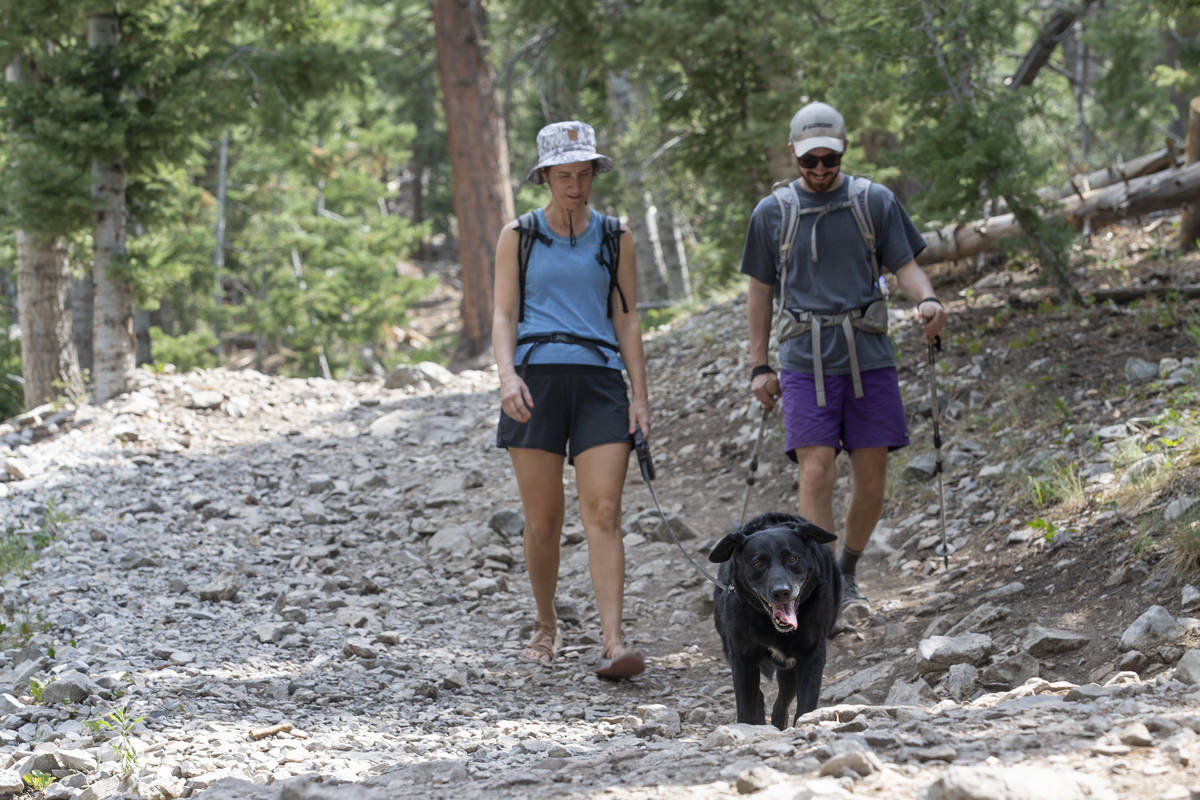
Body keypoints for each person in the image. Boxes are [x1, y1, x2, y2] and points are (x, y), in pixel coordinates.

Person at [740, 101, 948, 626]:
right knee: (816, 470)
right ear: (793, 153)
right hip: (803, 356)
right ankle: (823, 585)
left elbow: (907, 267)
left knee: (872, 477)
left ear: (843, 150)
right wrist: (758, 365)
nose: (819, 170)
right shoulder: (772, 212)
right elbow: (759, 292)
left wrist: (928, 302)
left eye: (828, 160)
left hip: (868, 352)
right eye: (809, 161)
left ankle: (848, 569)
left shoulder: (873, 201)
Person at [493, 120, 651, 678]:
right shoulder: (520, 235)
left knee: (603, 512)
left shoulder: (615, 236)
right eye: (565, 175)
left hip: (601, 381)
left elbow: (627, 319)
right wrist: (507, 375)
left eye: (584, 174)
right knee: (543, 520)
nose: (576, 185)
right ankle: (545, 625)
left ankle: (613, 641)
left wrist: (640, 395)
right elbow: (503, 314)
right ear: (545, 176)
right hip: (536, 380)